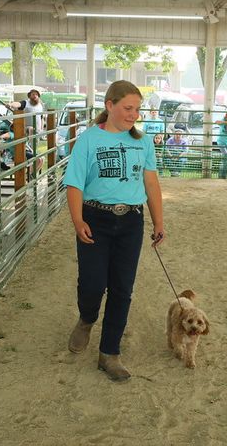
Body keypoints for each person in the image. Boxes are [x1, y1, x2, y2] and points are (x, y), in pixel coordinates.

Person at [63, 79, 164, 382]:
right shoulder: (88, 140)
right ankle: (87, 317)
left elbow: (151, 183)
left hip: (131, 221)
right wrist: (78, 220)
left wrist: (159, 221)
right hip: (96, 218)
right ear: (110, 106)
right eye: (128, 108)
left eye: (137, 109)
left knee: (122, 288)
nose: (134, 114)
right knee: (93, 284)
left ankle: (109, 352)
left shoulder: (143, 142)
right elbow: (74, 183)